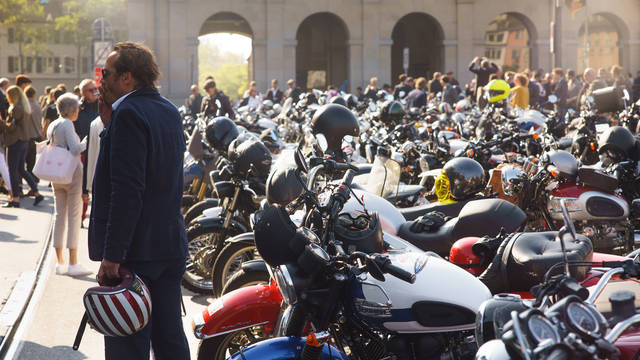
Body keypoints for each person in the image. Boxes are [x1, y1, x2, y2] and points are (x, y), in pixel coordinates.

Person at [92, 41, 190, 359]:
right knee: (170, 339)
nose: (100, 80)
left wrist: (112, 256)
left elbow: (127, 191)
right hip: (169, 247)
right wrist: (109, 128)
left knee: (127, 346)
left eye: (106, 73)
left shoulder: (130, 114)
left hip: (136, 253)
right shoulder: (168, 110)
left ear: (127, 78)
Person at [46, 93, 91, 276]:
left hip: (56, 174)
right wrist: (87, 142)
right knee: (74, 216)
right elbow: (74, 149)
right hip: (72, 174)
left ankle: (60, 262)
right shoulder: (67, 124)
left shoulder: (53, 124)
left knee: (59, 216)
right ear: (72, 109)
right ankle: (73, 263)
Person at [0, 85, 43, 207]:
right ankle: (36, 192)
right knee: (21, 169)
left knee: (12, 170)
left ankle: (15, 198)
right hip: (24, 140)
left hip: (15, 141)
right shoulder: (24, 107)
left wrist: (2, 123)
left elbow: (11, 127)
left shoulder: (16, 108)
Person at [75, 79, 99, 223]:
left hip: (97, 149)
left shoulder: (102, 105)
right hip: (82, 151)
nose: (95, 92)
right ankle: (81, 217)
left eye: (95, 89)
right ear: (83, 93)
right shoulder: (78, 108)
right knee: (81, 187)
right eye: (91, 90)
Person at [24, 85, 43, 187]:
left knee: (22, 164)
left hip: (26, 137)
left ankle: (21, 187)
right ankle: (34, 185)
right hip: (36, 136)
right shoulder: (38, 106)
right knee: (32, 163)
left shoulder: (24, 106)